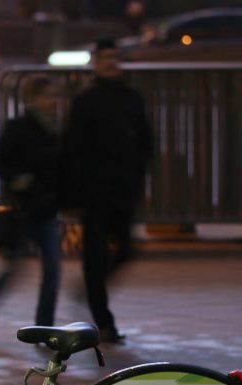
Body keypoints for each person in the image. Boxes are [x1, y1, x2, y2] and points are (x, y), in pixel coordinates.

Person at [62, 37, 152, 344]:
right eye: (105, 57)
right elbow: (73, 149)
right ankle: (104, 321)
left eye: (115, 57)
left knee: (124, 249)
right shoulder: (86, 101)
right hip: (94, 191)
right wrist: (75, 195)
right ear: (96, 62)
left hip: (122, 188)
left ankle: (91, 290)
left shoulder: (131, 97)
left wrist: (138, 175)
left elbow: (145, 140)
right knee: (95, 255)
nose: (111, 62)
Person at [0, 75, 63, 337]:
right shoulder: (19, 127)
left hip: (47, 210)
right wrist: (18, 180)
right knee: (14, 268)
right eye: (48, 96)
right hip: (23, 210)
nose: (53, 101)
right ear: (32, 99)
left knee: (52, 270)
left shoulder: (55, 129)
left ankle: (44, 326)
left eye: (56, 96)